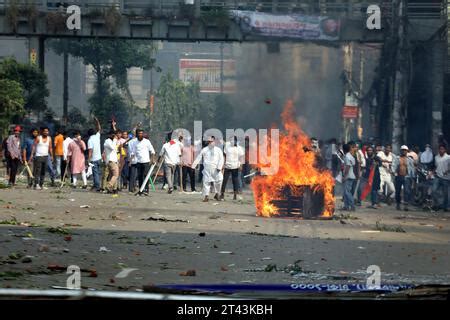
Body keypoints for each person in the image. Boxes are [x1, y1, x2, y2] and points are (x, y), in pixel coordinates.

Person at [192, 136, 224, 202]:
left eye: (211, 141)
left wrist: (219, 167)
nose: (210, 143)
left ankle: (217, 194)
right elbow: (199, 157)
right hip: (207, 168)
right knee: (206, 182)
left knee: (219, 180)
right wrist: (194, 165)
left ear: (214, 141)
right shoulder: (204, 149)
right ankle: (206, 196)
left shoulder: (218, 150)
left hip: (216, 168)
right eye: (208, 142)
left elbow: (221, 159)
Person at [132, 129, 155, 196]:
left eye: (142, 133)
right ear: (137, 134)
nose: (140, 135)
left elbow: (152, 151)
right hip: (138, 162)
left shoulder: (147, 141)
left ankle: (146, 190)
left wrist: (152, 159)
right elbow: (133, 152)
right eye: (139, 133)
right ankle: (141, 189)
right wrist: (130, 161)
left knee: (146, 176)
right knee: (140, 177)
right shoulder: (135, 142)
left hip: (146, 162)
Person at [220, 136, 244, 200]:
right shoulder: (227, 146)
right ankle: (222, 194)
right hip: (227, 166)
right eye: (230, 140)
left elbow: (241, 157)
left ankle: (235, 195)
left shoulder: (239, 148)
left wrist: (241, 165)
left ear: (235, 141)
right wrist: (223, 164)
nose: (231, 141)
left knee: (235, 181)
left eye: (233, 140)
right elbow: (224, 155)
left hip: (235, 166)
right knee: (224, 180)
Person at [392, 145, 415, 211]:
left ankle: (406, 205)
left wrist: (412, 178)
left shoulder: (410, 159)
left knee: (406, 191)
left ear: (407, 151)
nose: (404, 151)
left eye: (405, 150)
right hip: (399, 176)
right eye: (403, 150)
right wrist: (394, 172)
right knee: (398, 191)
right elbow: (394, 165)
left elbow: (412, 169)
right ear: (401, 151)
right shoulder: (397, 158)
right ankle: (398, 204)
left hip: (407, 176)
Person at [432, 144, 450, 212]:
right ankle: (438, 204)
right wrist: (432, 173)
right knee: (433, 191)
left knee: (446, 193)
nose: (441, 150)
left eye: (442, 149)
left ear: (445, 150)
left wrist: (447, 171)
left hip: (446, 178)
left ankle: (446, 207)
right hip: (437, 176)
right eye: (440, 149)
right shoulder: (436, 157)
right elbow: (435, 166)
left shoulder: (448, 157)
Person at [87, 116, 102, 192]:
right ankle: (96, 185)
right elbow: (99, 129)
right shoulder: (97, 136)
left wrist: (88, 160)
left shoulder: (90, 140)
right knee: (98, 173)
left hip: (93, 159)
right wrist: (97, 121)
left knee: (95, 173)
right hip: (99, 158)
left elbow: (90, 151)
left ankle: (97, 186)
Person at [342, 143, 356, 211]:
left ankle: (352, 205)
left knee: (347, 192)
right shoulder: (351, 156)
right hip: (351, 175)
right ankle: (346, 206)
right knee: (346, 192)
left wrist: (344, 176)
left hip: (348, 176)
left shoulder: (347, 156)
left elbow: (348, 166)